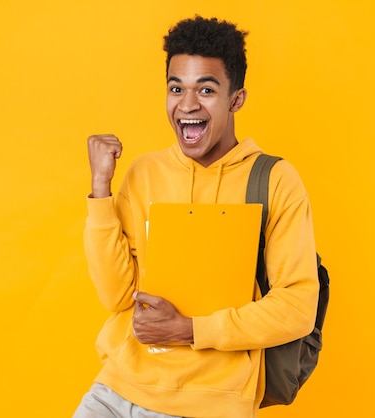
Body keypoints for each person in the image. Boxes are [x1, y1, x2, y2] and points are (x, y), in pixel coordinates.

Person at [74, 15, 318, 418]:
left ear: (236, 99)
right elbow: (116, 296)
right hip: (116, 388)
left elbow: (296, 307)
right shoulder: (143, 173)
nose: (187, 105)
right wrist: (101, 189)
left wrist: (189, 330)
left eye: (206, 89)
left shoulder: (275, 180)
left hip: (210, 403)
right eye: (176, 88)